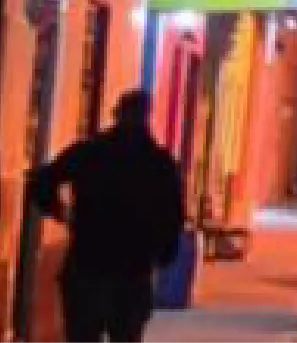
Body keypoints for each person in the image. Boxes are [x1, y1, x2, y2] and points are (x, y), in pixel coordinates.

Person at [26, 90, 186, 343]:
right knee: (126, 335)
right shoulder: (160, 164)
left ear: (117, 114)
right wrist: (162, 254)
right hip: (133, 269)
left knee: (83, 334)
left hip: (89, 262)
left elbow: (42, 182)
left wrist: (59, 212)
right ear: (146, 117)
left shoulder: (90, 153)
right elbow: (173, 217)